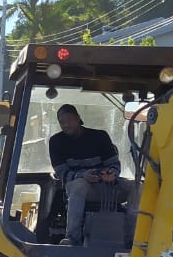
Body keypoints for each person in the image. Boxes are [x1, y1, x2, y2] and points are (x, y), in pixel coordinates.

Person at [47, 104, 134, 245]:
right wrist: (83, 175)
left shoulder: (100, 137)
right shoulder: (56, 142)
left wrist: (111, 174)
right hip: (80, 187)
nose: (66, 125)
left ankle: (133, 238)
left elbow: (114, 164)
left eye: (69, 120)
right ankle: (73, 238)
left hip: (107, 186)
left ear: (78, 118)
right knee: (79, 185)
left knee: (137, 187)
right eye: (62, 122)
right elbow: (63, 173)